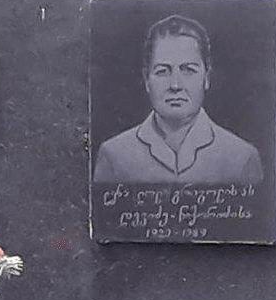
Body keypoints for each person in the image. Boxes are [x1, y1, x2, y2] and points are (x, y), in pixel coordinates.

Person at [93, 14, 263, 186]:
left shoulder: (242, 158)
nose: (175, 85)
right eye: (162, 71)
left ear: (206, 78)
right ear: (146, 79)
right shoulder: (114, 156)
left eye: (188, 70)